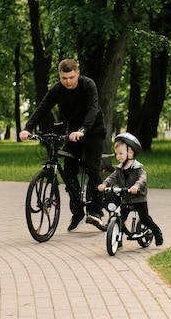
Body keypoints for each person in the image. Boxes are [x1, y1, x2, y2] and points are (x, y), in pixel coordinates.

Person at [19, 58, 106, 232]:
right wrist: (28, 128)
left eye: (71, 77)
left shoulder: (88, 85)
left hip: (93, 132)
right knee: (69, 171)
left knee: (93, 168)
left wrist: (83, 129)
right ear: (59, 76)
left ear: (78, 73)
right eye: (64, 78)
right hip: (72, 133)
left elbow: (92, 109)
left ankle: (95, 212)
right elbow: (42, 108)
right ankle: (77, 212)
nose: (67, 82)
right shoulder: (57, 90)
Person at [97, 132, 163, 246]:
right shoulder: (119, 169)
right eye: (117, 154)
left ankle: (157, 232)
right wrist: (104, 184)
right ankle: (118, 239)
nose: (118, 156)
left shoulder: (138, 167)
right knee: (120, 218)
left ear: (131, 152)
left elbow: (143, 178)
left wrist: (136, 186)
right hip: (125, 199)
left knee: (145, 219)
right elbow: (112, 178)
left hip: (138, 198)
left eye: (121, 153)